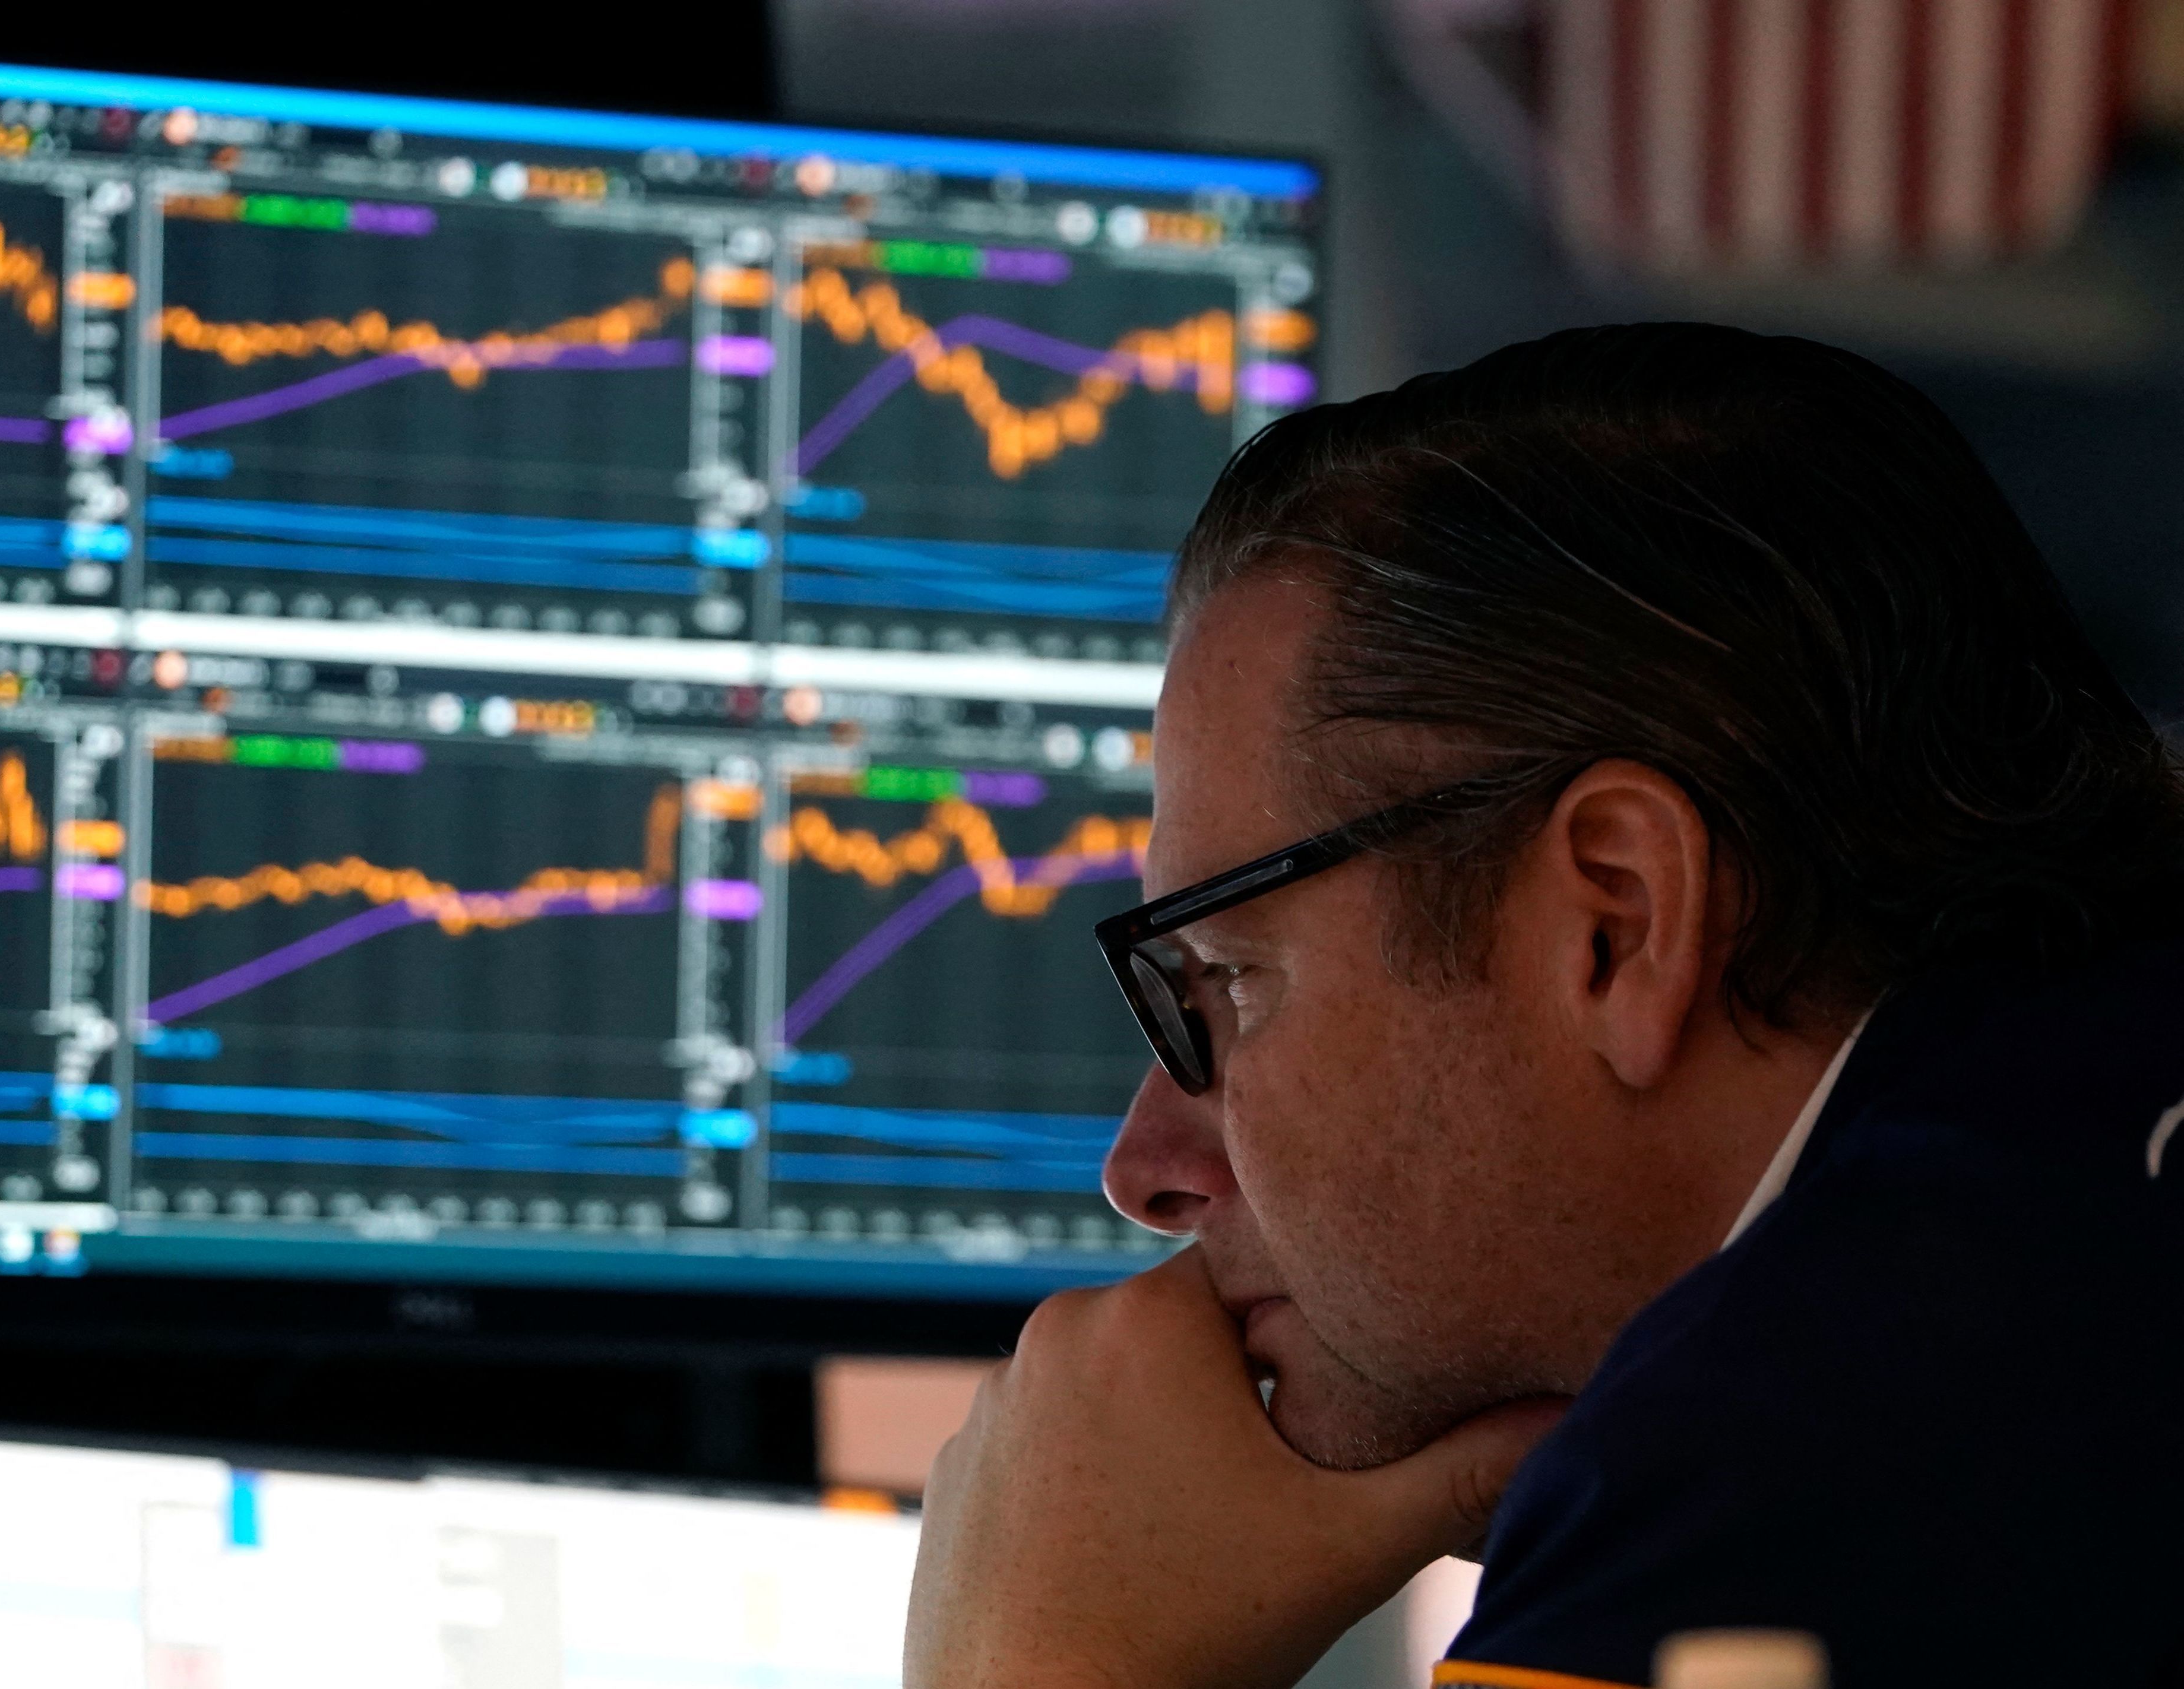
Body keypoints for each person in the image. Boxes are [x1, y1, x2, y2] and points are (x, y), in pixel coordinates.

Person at [902, 324, 2184, 1689]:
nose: (1142, 1169)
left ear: (1614, 923)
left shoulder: (1781, 1466)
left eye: (1228, 975)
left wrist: (1051, 1663)